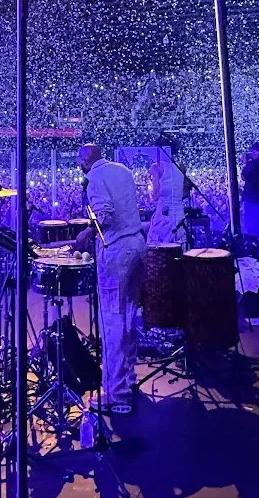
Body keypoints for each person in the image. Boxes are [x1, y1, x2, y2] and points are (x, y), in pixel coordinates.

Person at [75, 144, 146, 415]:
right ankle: (128, 380)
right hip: (137, 245)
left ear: (85, 160)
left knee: (113, 321)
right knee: (128, 318)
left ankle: (117, 395)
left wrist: (85, 234)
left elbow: (103, 213)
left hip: (116, 251)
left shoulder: (94, 177)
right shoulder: (123, 170)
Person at [147, 138, 187, 247]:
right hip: (180, 215)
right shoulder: (181, 167)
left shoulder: (156, 167)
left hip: (163, 217)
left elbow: (154, 197)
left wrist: (151, 193)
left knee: (158, 249)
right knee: (179, 250)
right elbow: (184, 193)